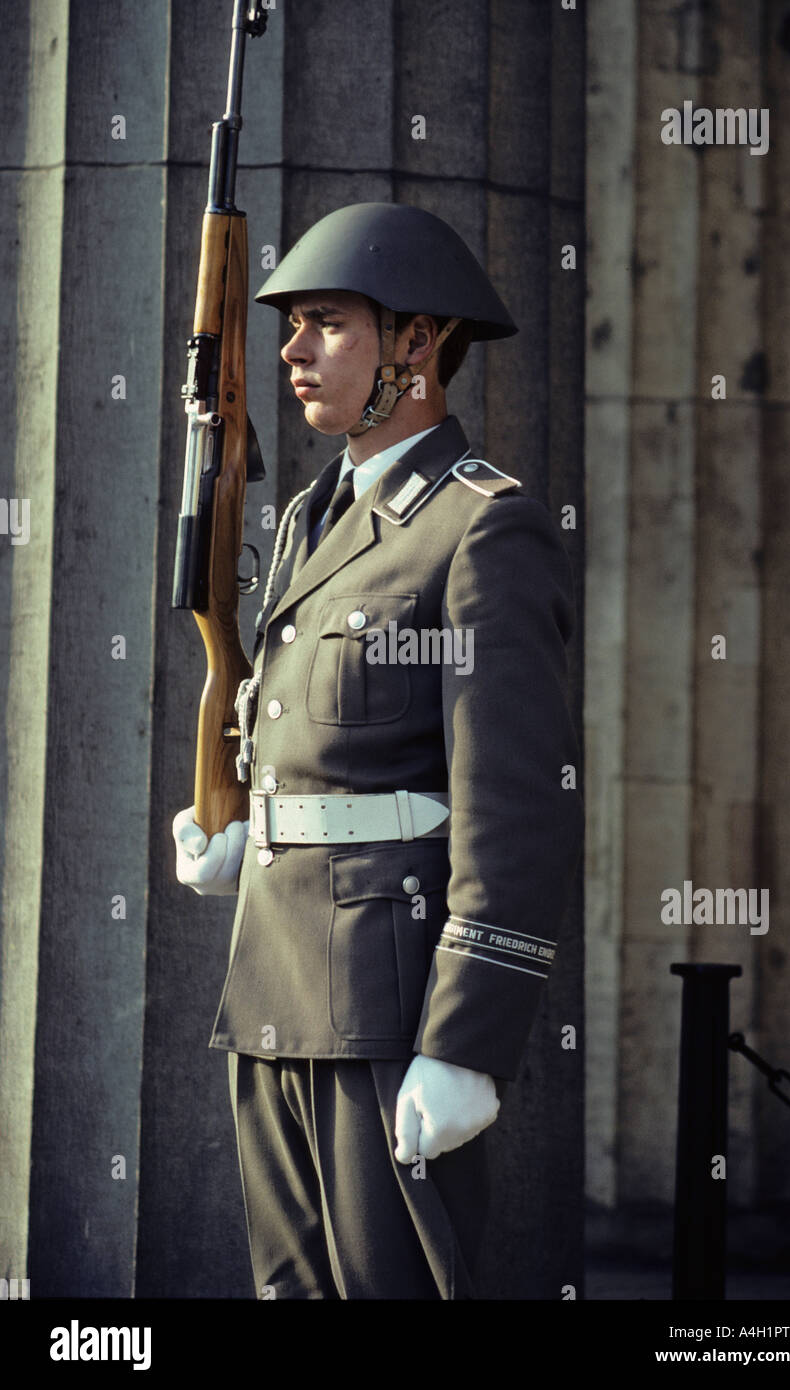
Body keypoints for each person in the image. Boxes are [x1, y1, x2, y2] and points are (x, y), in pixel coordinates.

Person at [173, 202, 583, 1299]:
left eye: (325, 323)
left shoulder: (481, 528)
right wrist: (250, 828)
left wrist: (468, 1041)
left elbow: (514, 807)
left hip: (386, 1004)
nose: (294, 351)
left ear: (417, 342)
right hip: (272, 983)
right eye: (291, 327)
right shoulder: (314, 518)